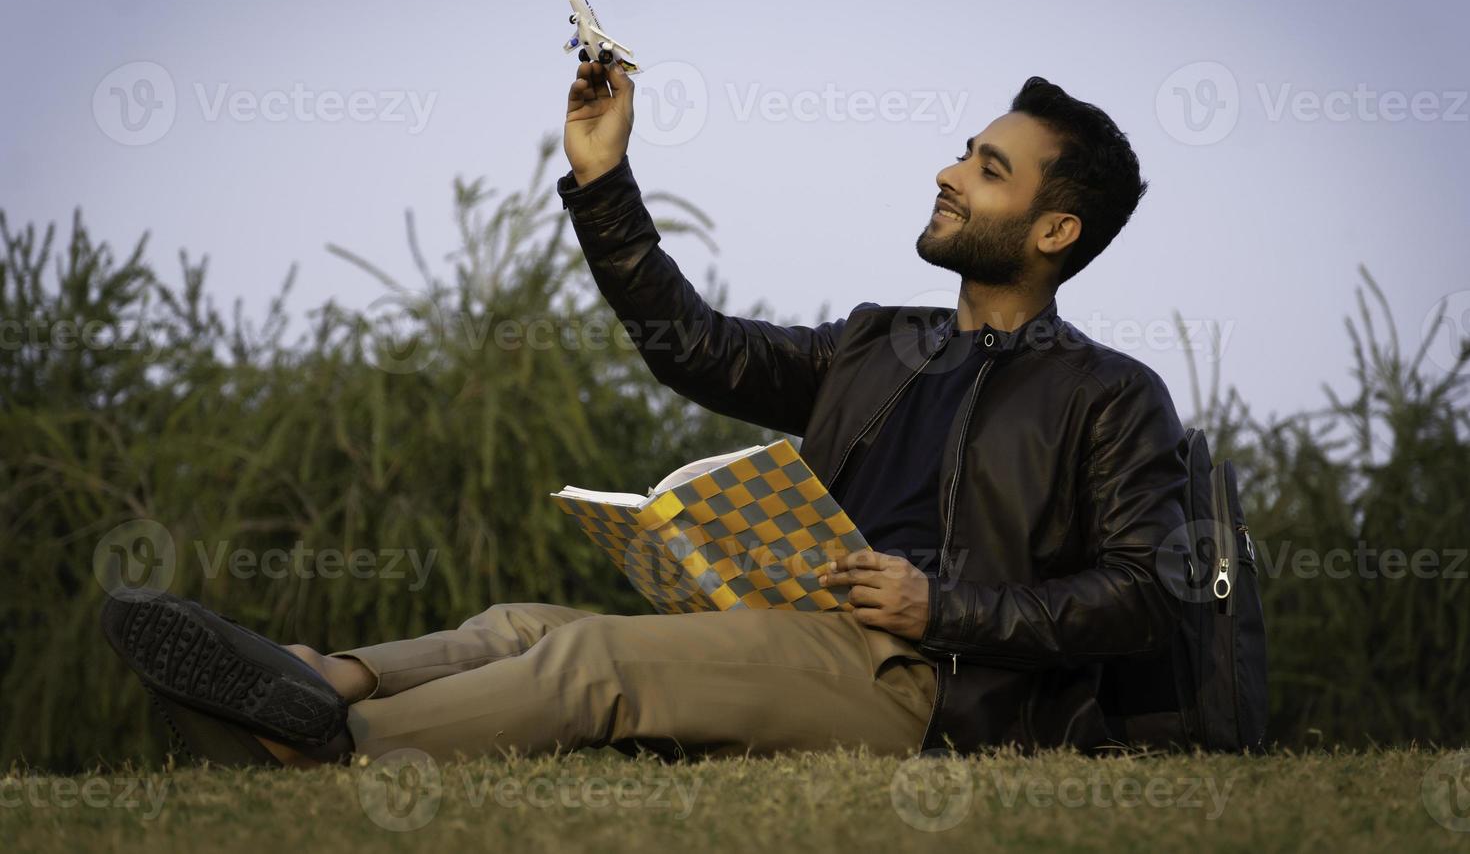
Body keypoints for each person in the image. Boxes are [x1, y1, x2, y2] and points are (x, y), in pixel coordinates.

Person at [101, 63, 1188, 766]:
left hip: (931, 691)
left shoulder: (1108, 394)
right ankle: (316, 675)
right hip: (801, 634)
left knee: (595, 669)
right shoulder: (879, 343)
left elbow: (1137, 597)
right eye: (963, 148)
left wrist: (937, 604)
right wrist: (603, 180)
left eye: (988, 168)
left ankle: (325, 743)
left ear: (1054, 230)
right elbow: (695, 344)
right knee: (522, 625)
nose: (948, 172)